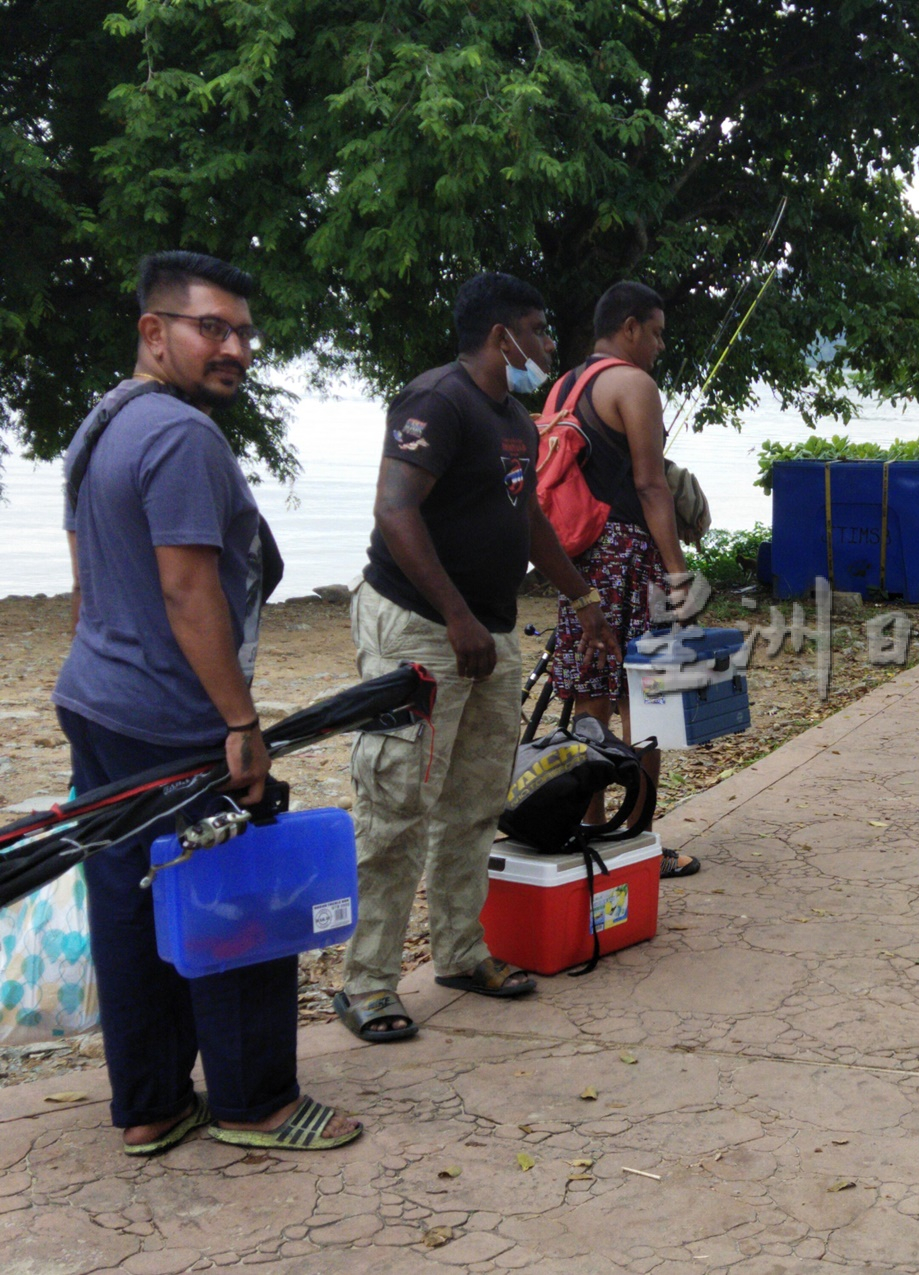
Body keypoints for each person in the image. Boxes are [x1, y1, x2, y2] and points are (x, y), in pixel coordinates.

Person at [54, 250, 361, 1154]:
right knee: (233, 890)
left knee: (126, 899)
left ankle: (151, 1105)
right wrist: (239, 721)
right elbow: (189, 592)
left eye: (243, 332)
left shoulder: (101, 423)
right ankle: (254, 1102)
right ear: (155, 331)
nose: (234, 347)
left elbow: (86, 581)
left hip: (98, 703)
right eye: (211, 329)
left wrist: (97, 666)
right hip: (173, 719)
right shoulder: (184, 439)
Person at [335, 272, 620, 1042]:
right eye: (539, 329)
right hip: (421, 626)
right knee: (397, 806)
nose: (548, 346)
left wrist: (585, 599)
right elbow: (395, 510)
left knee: (476, 801)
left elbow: (526, 519)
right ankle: (366, 983)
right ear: (503, 337)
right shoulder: (437, 401)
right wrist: (457, 616)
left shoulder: (517, 420)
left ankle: (461, 950)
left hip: (485, 630)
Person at [545, 281, 700, 877]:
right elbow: (650, 484)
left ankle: (590, 829)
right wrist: (679, 575)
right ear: (630, 326)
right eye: (657, 332)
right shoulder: (635, 384)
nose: (660, 345)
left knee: (591, 696)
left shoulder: (564, 385)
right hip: (630, 556)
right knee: (648, 698)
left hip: (579, 562)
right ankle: (637, 837)